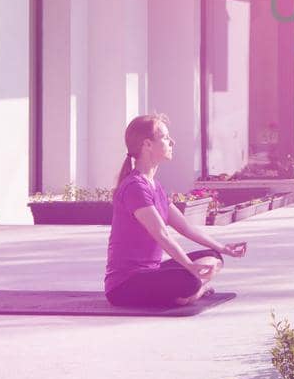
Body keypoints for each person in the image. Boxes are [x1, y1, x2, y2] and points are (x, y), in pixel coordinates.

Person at [104, 113, 247, 307]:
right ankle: (196, 290)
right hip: (125, 285)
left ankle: (190, 291)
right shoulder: (135, 187)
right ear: (147, 145)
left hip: (150, 273)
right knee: (189, 280)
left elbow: (186, 228)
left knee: (214, 258)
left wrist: (222, 248)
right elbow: (162, 234)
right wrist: (189, 266)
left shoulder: (155, 186)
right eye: (164, 137)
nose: (172, 141)